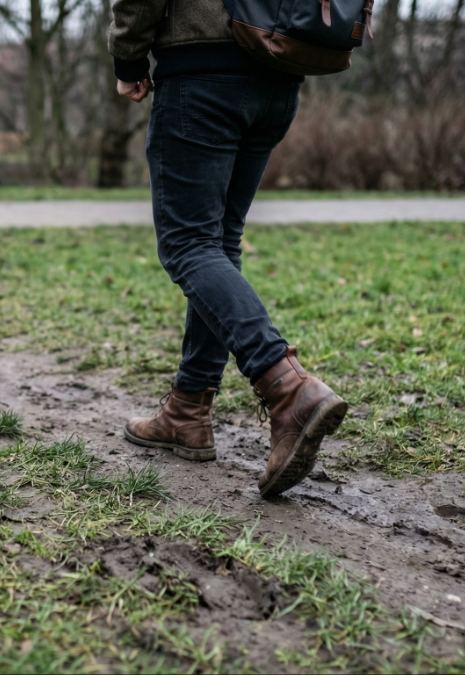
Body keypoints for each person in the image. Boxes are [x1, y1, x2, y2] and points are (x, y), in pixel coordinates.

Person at [110, 0, 347, 498]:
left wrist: (129, 58)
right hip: (278, 70)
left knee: (188, 244)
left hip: (203, 74)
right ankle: (187, 411)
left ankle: (287, 387)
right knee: (218, 242)